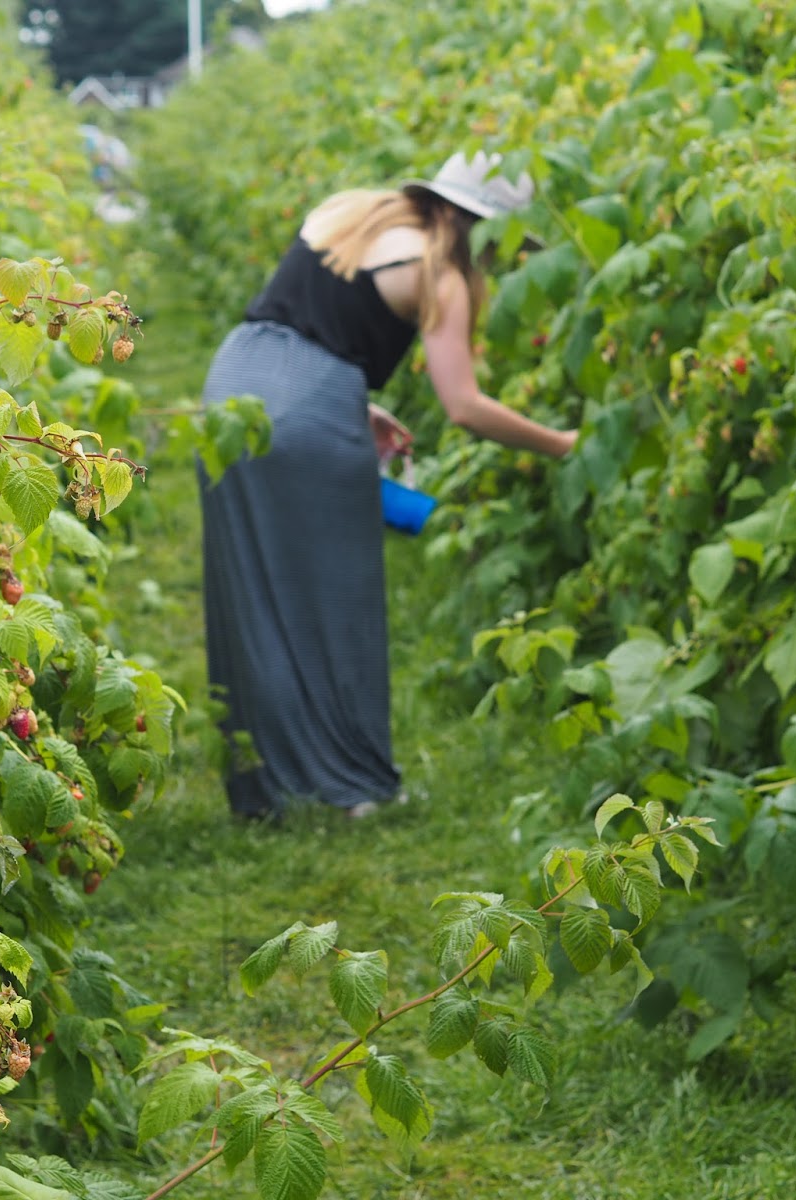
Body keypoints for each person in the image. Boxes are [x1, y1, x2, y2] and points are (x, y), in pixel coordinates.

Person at [198, 151, 578, 820]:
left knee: (255, 591)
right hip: (309, 404)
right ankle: (346, 784)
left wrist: (355, 408)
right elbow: (462, 403)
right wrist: (562, 444)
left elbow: (301, 320)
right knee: (332, 597)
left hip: (234, 384)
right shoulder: (442, 274)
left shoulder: (350, 213)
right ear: (481, 225)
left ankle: (266, 787)